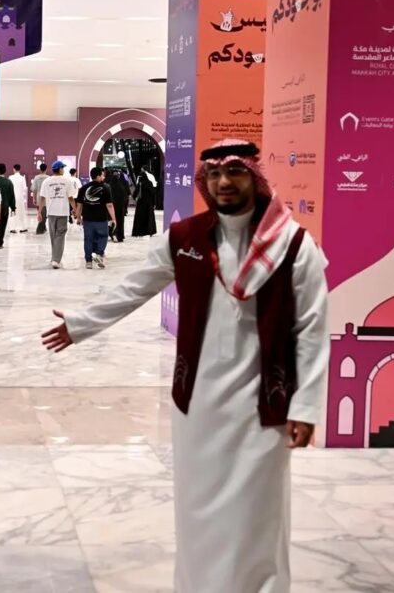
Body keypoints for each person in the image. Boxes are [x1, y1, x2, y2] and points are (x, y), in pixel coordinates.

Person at [41, 139, 329, 593]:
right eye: (213, 174)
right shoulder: (185, 238)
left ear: (254, 176)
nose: (223, 182)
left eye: (234, 172)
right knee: (198, 511)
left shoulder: (292, 244)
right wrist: (82, 323)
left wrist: (307, 405)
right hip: (198, 403)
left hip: (264, 406)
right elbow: (136, 286)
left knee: (259, 513)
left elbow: (312, 327)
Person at [76, 168, 117, 269]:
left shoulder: (84, 188)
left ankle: (88, 262)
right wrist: (114, 219)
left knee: (88, 239)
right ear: (98, 176)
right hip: (101, 219)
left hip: (87, 219)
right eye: (102, 175)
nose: (104, 177)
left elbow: (79, 205)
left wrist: (78, 217)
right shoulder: (106, 187)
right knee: (103, 237)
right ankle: (99, 254)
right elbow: (109, 205)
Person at [39, 161, 76, 269]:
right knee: (60, 235)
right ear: (59, 169)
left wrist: (39, 211)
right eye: (63, 168)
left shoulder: (47, 181)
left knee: (53, 236)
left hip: (51, 212)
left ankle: (54, 257)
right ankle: (56, 260)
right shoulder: (67, 181)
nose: (63, 170)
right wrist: (75, 210)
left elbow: (42, 198)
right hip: (62, 212)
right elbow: (70, 198)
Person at [131, 163, 158, 237]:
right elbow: (153, 192)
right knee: (149, 217)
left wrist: (134, 197)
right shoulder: (149, 182)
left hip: (141, 202)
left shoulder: (140, 183)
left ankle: (139, 231)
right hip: (149, 203)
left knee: (140, 217)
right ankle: (149, 231)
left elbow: (136, 192)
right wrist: (154, 203)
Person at [0, 163, 16, 248]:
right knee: (2, 225)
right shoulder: (8, 182)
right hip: (4, 207)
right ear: (5, 171)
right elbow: (12, 196)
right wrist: (13, 208)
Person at [108, 169, 131, 243]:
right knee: (120, 221)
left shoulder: (109, 186)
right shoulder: (121, 186)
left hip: (112, 207)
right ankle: (120, 235)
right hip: (120, 207)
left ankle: (113, 234)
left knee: (112, 221)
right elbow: (125, 196)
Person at [9, 164, 29, 233]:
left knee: (12, 212)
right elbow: (24, 188)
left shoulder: (10, 177)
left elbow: (9, 188)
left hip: (12, 198)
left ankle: (12, 228)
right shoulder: (22, 178)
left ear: (14, 169)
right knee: (21, 213)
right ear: (19, 169)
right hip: (20, 198)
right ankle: (22, 228)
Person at [31, 163, 50, 235]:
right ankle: (39, 229)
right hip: (46, 197)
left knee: (41, 213)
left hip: (38, 196)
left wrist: (34, 198)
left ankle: (43, 228)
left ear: (40, 169)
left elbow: (34, 189)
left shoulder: (36, 177)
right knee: (44, 213)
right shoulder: (48, 178)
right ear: (46, 169)